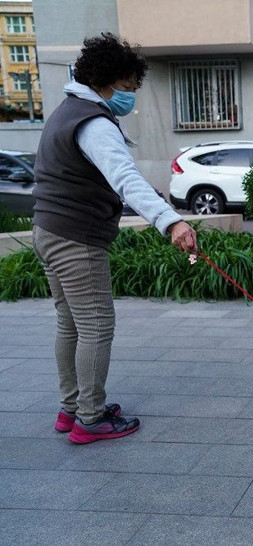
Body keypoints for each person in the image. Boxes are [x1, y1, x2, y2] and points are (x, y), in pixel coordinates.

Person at [32, 33, 198, 443]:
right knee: (96, 326)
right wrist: (171, 222)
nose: (130, 96)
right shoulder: (93, 123)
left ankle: (72, 408)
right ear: (105, 81)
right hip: (76, 237)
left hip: (48, 229)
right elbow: (125, 178)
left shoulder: (67, 111)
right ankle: (90, 418)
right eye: (126, 86)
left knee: (70, 323)